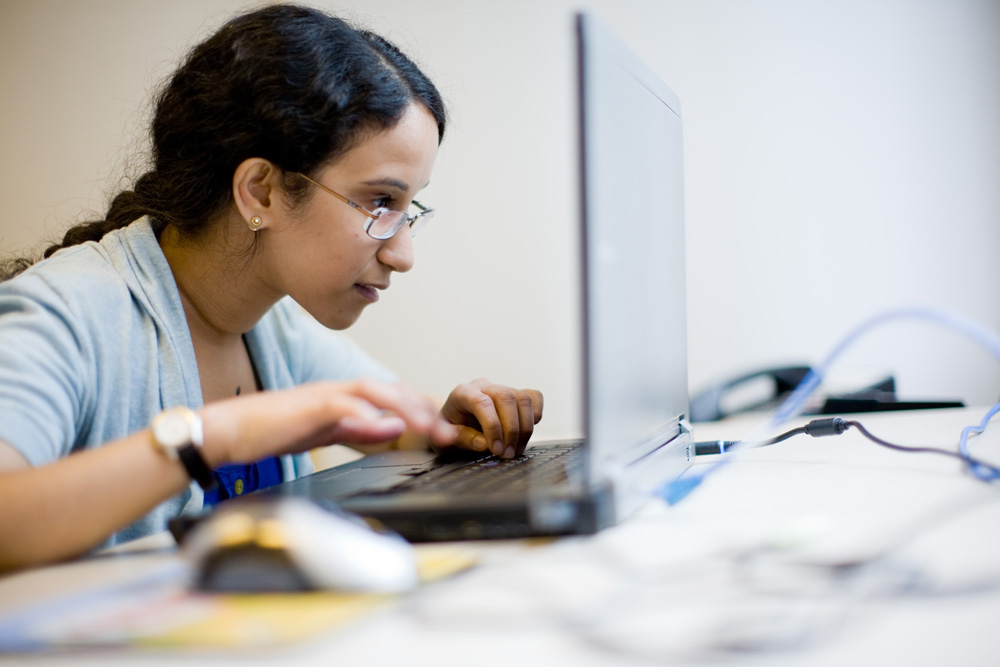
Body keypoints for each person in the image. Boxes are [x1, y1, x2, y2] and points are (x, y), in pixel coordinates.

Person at [0, 4, 542, 572]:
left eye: (410, 207)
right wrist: (222, 434)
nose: (403, 254)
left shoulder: (270, 323)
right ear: (261, 191)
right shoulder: (62, 314)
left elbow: (399, 427)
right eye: (380, 202)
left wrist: (458, 427)